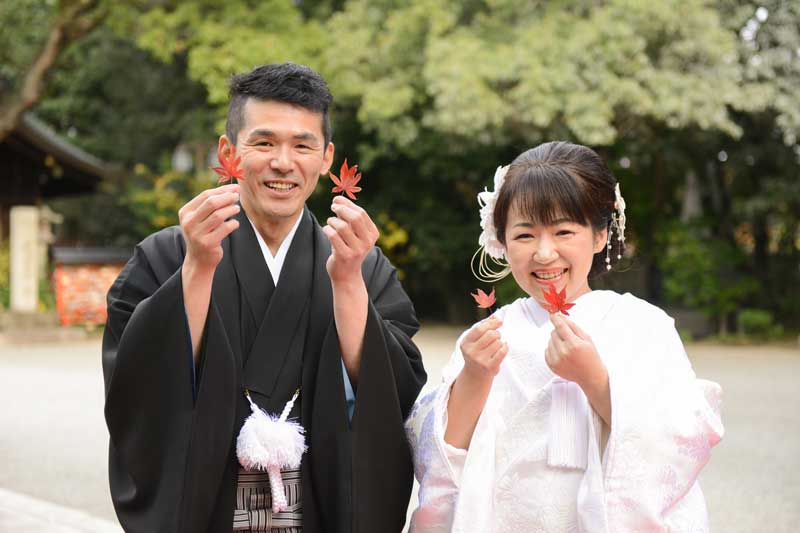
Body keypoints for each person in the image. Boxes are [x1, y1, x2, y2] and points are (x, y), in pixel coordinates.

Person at [102, 62, 426, 533]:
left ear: (326, 157)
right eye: (264, 142)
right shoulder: (167, 254)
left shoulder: (361, 264)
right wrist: (196, 269)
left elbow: (394, 398)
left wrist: (349, 284)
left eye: (302, 145)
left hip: (318, 510)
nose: (283, 162)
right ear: (228, 151)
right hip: (206, 511)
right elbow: (139, 390)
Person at [405, 141, 723, 532]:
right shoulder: (488, 336)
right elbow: (442, 459)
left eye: (563, 231)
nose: (543, 253)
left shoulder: (642, 326)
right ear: (501, 242)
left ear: (601, 235)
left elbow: (679, 437)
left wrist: (594, 379)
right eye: (524, 236)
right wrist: (474, 376)